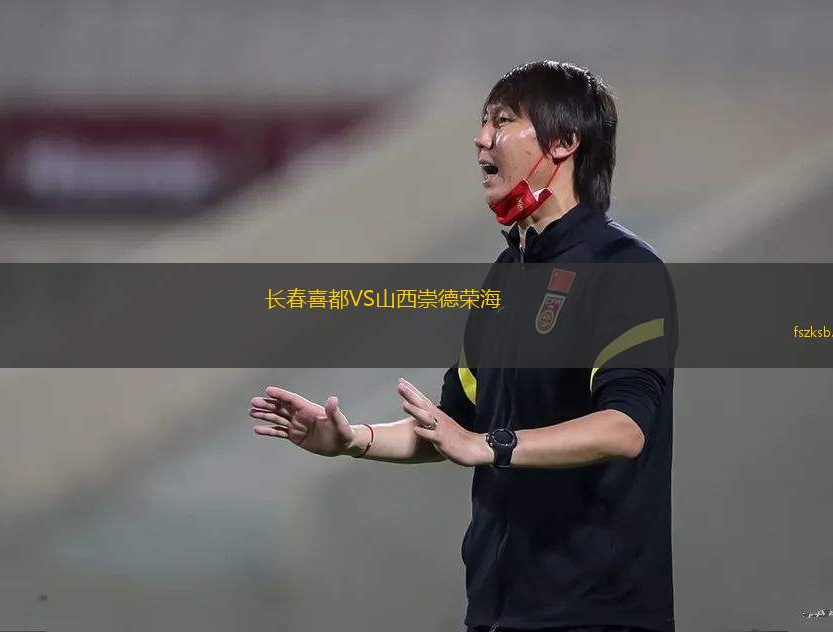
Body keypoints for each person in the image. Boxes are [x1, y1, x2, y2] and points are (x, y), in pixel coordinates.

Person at [249, 60, 677, 632]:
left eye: (502, 120)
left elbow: (625, 429)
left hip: (597, 615)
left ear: (564, 143)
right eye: (483, 121)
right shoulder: (506, 276)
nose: (481, 138)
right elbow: (453, 424)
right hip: (497, 614)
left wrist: (489, 444)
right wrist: (353, 439)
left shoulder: (623, 270)